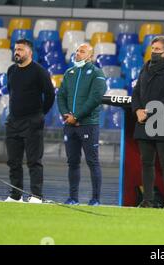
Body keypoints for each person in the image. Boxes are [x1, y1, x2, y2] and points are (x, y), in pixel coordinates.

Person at [131, 36, 164, 209]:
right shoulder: (146, 67)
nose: (153, 52)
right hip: (143, 120)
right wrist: (137, 110)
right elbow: (136, 91)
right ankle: (147, 200)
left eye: (157, 50)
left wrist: (149, 111)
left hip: (163, 119)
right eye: (152, 48)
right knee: (146, 162)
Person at [4, 39, 55, 203]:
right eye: (15, 49)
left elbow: (50, 95)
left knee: (33, 161)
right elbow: (11, 92)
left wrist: (40, 114)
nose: (16, 52)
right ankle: (15, 194)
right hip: (13, 122)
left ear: (29, 52)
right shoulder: (11, 70)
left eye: (20, 49)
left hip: (32, 122)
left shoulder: (39, 71)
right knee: (13, 161)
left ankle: (36, 195)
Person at [57, 43, 107, 206]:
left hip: (88, 125)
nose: (78, 53)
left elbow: (95, 98)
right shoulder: (69, 73)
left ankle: (96, 199)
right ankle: (73, 198)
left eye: (82, 51)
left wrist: (76, 116)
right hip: (69, 125)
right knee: (72, 162)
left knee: (92, 162)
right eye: (77, 50)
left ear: (90, 56)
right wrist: (66, 115)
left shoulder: (97, 74)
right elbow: (61, 96)